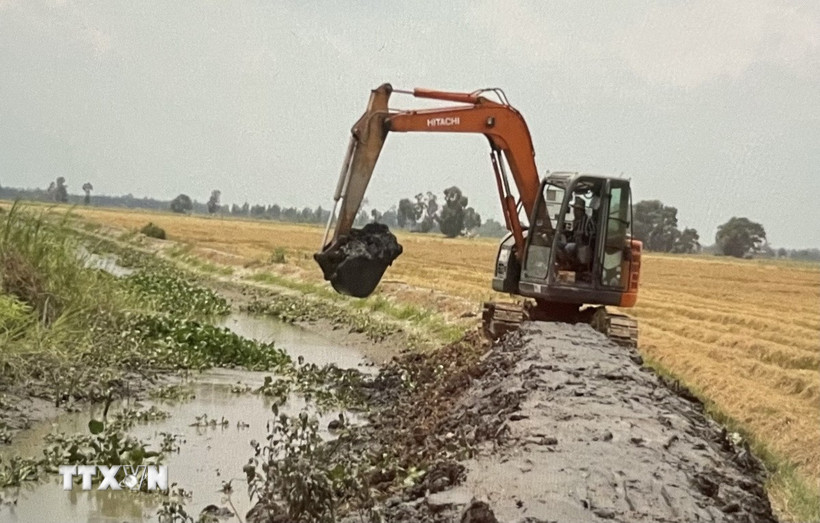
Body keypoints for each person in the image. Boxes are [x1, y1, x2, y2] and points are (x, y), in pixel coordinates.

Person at [559, 198, 596, 273]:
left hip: (583, 246)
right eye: (574, 210)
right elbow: (573, 234)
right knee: (558, 245)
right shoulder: (576, 222)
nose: (574, 212)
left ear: (581, 211)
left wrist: (583, 237)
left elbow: (593, 235)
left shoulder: (588, 221)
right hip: (575, 243)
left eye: (576, 210)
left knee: (567, 248)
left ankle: (569, 265)